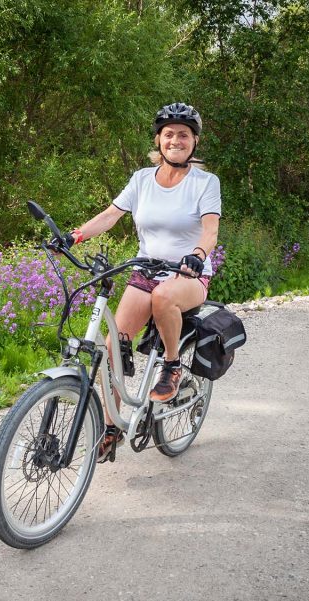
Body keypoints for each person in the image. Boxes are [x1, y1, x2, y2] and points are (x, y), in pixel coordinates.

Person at [52, 102, 221, 457]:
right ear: (159, 140)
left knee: (164, 297)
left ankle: (172, 366)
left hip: (187, 275)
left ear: (194, 142)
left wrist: (198, 256)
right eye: (169, 134)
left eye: (184, 135)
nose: (176, 140)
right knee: (113, 346)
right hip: (146, 270)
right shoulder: (142, 179)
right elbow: (111, 215)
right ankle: (111, 428)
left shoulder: (205, 183)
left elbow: (210, 232)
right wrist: (74, 236)